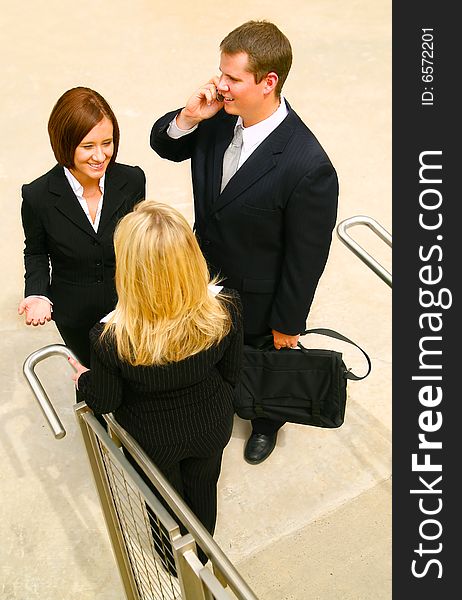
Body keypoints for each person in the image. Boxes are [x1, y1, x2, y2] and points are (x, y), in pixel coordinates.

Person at [150, 20, 339, 464]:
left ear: (268, 82)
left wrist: (288, 323)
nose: (220, 85)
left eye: (232, 78)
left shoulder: (307, 165)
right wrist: (190, 117)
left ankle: (267, 421)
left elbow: (305, 257)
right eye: (221, 72)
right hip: (204, 277)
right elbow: (166, 145)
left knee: (259, 362)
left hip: (258, 298)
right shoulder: (217, 121)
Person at [69, 200, 243, 556]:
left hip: (152, 439)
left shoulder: (110, 338)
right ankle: (203, 555)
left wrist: (84, 379)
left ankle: (169, 559)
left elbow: (105, 401)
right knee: (204, 487)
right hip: (212, 424)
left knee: (162, 503)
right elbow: (231, 373)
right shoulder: (225, 306)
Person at [18, 86, 146, 367]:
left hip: (130, 309)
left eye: (107, 143)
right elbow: (36, 252)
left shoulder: (133, 181)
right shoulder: (38, 195)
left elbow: (141, 243)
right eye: (88, 146)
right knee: (91, 384)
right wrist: (38, 294)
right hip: (76, 316)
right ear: (65, 143)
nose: (100, 156)